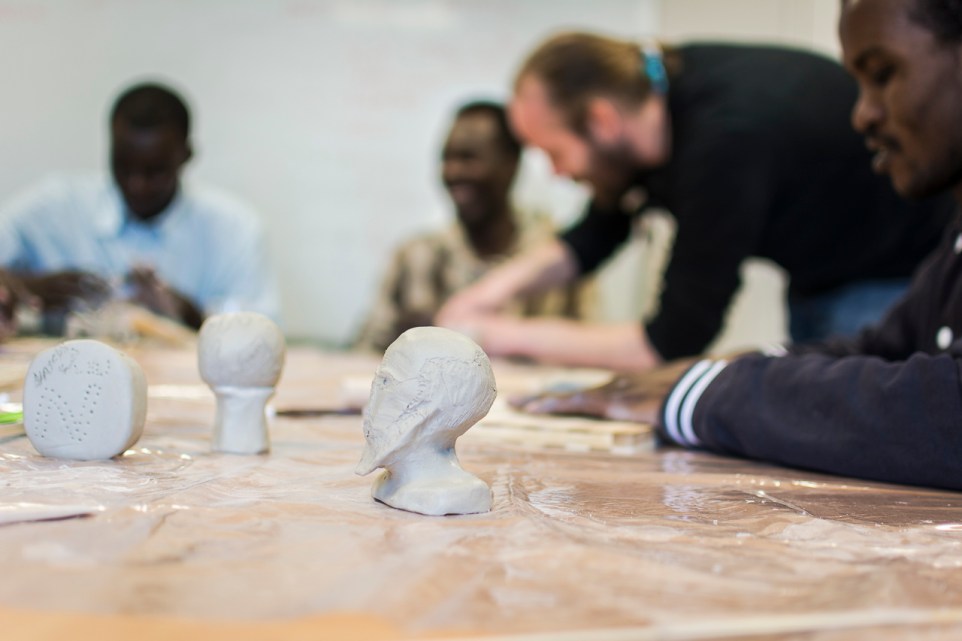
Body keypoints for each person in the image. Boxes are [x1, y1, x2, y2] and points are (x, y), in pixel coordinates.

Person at [514, 0, 962, 491]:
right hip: (831, 276)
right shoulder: (952, 253)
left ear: (602, 120)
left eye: (883, 74)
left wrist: (710, 393)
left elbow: (940, 414)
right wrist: (735, 371)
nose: (861, 116)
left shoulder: (725, 132)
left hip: (881, 264)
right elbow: (883, 351)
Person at [437, 31, 955, 372]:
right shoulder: (654, 98)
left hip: (896, 273)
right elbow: (598, 231)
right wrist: (485, 295)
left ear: (601, 121)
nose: (557, 173)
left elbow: (667, 343)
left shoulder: (724, 142)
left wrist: (497, 334)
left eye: (555, 153)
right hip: (817, 275)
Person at [0, 82, 279, 331]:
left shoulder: (234, 229)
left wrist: (190, 315)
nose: (137, 185)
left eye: (155, 172)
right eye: (123, 166)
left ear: (186, 155)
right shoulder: (56, 207)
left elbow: (261, 334)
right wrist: (26, 286)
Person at [355, 101, 589, 351]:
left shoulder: (561, 258)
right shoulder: (416, 257)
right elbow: (363, 354)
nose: (453, 172)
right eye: (447, 159)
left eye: (469, 158)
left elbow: (586, 354)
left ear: (511, 165)